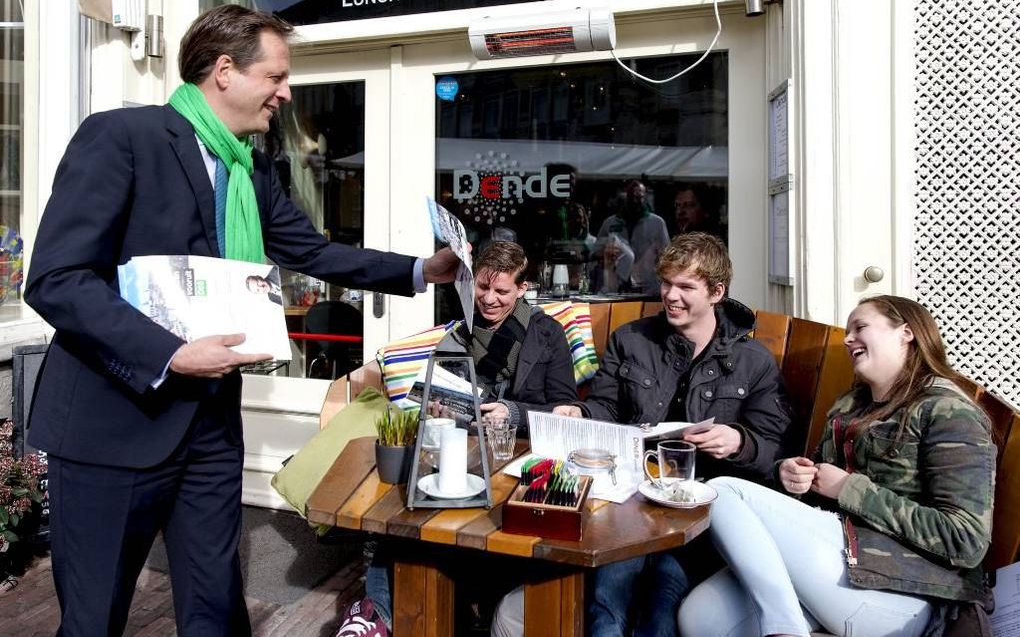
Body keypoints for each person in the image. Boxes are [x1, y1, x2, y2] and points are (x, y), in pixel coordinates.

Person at [23, 6, 461, 636]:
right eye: (275, 76)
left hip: (208, 428)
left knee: (215, 611)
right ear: (224, 71)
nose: (285, 93)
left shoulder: (248, 167)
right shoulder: (122, 137)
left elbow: (310, 250)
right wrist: (171, 353)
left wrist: (422, 269)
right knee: (94, 621)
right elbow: (57, 280)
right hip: (111, 428)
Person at [492, 232, 795, 637]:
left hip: (699, 513)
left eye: (686, 287)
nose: (671, 295)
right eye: (667, 283)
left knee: (660, 608)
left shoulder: (752, 361)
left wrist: (739, 441)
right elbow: (605, 408)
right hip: (629, 499)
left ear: (717, 292)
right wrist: (578, 412)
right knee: (609, 603)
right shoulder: (633, 340)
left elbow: (774, 448)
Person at [678, 296, 995, 637]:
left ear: (906, 333)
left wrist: (848, 489)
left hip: (909, 594)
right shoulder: (851, 407)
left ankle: (784, 632)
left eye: (860, 327)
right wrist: (795, 478)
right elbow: (820, 504)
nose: (847, 339)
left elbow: (965, 539)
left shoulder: (947, 411)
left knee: (723, 491)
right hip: (840, 569)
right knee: (698, 618)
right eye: (847, 331)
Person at [341, 241, 577, 637]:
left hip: (524, 457)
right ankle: (375, 616)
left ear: (523, 288)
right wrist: (440, 411)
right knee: (404, 514)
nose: (489, 299)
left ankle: (448, 606)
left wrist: (514, 413)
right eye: (482, 289)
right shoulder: (460, 332)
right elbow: (438, 393)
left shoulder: (547, 334)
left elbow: (566, 410)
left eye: (502, 291)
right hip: (466, 452)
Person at [595, 180, 670, 294]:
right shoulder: (610, 223)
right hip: (616, 287)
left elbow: (667, 256)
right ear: (625, 196)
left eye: (639, 197)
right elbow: (596, 252)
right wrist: (605, 253)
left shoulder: (657, 223)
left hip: (648, 288)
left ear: (645, 197)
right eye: (631, 197)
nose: (636, 201)